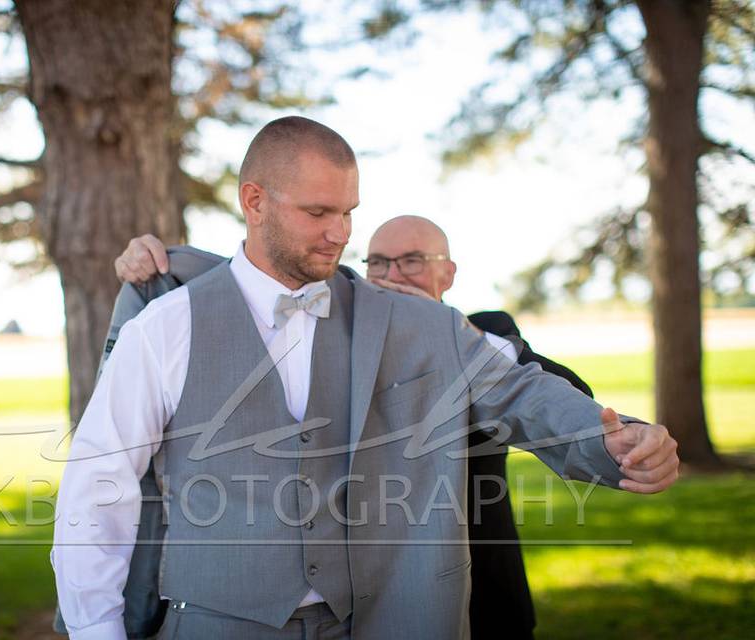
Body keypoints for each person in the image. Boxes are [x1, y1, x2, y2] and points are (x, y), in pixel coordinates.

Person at [51, 116, 679, 640]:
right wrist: (96, 631)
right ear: (254, 200)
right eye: (318, 212)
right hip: (212, 624)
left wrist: (616, 442)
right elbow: (98, 485)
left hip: (380, 621)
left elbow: (524, 393)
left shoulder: (423, 326)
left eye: (348, 212)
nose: (339, 235)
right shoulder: (166, 326)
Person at [105, 215, 592, 640]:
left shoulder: (483, 329)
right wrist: (162, 261)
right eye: (378, 263)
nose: (392, 275)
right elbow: (253, 282)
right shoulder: (353, 339)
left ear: (448, 271)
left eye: (412, 261)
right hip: (378, 597)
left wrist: (447, 333)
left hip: (485, 584)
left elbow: (569, 394)